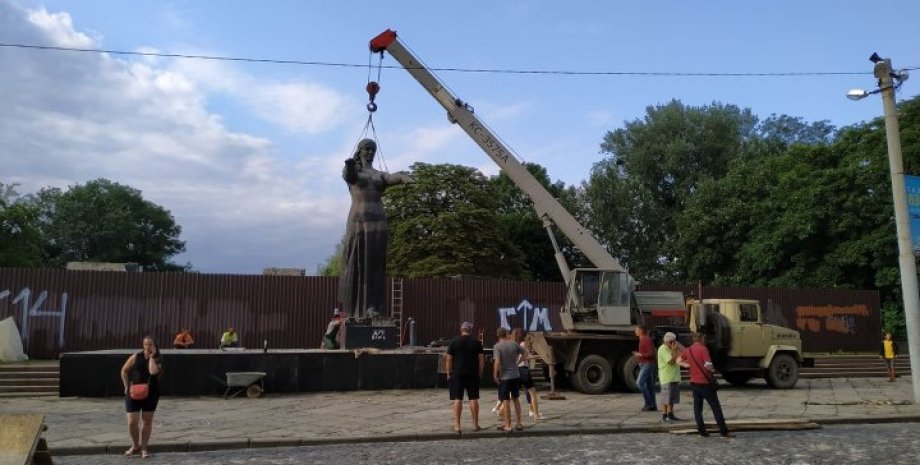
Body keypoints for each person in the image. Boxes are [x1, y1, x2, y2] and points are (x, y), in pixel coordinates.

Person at [338, 138, 413, 320]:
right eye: (367, 149)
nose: (370, 153)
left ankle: (373, 307)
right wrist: (349, 164)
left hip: (379, 223)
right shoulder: (355, 172)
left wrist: (403, 177)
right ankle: (356, 311)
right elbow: (349, 175)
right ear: (360, 151)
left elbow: (392, 177)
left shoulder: (380, 175)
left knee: (376, 267)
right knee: (357, 265)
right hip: (359, 222)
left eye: (373, 150)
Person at [680, 332, 733, 438]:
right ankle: (723, 431)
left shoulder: (688, 350)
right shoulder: (703, 349)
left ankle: (702, 431)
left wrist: (688, 366)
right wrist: (713, 369)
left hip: (694, 382)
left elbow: (678, 360)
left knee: (697, 409)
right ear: (701, 339)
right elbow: (708, 364)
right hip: (705, 382)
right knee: (715, 408)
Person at [120, 336, 163, 459]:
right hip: (133, 392)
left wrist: (151, 357)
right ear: (143, 345)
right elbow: (124, 370)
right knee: (132, 421)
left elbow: (153, 372)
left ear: (155, 346)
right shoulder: (135, 357)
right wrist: (126, 386)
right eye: (146, 344)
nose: (148, 346)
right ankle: (135, 445)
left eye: (151, 344)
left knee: (146, 421)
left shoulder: (158, 359)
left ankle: (144, 448)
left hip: (151, 393)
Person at [445, 321, 485, 433]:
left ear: (461, 329)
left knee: (458, 399)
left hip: (457, 374)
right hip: (472, 374)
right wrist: (480, 373)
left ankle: (457, 426)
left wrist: (448, 374)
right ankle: (475, 425)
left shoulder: (454, 342)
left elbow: (448, 359)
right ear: (470, 330)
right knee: (473, 398)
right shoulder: (476, 342)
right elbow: (481, 360)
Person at [492, 327, 528, 432]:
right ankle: (519, 423)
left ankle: (508, 425)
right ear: (506, 334)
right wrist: (518, 361)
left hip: (505, 377)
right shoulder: (513, 344)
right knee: (516, 399)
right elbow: (525, 353)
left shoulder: (497, 346)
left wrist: (495, 374)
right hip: (515, 375)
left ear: (497, 335)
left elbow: (497, 362)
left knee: (506, 401)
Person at [513, 328, 542, 422]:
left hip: (515, 371)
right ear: (524, 336)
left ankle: (500, 410)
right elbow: (525, 356)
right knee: (532, 392)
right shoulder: (523, 344)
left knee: (511, 394)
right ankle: (536, 414)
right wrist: (535, 356)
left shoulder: (514, 344)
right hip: (523, 370)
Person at [657, 332, 684, 423]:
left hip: (674, 376)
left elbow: (682, 355)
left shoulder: (671, 348)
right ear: (670, 342)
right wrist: (674, 350)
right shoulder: (663, 349)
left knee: (672, 398)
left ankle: (670, 414)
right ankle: (664, 416)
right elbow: (671, 362)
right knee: (666, 398)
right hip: (666, 377)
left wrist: (676, 349)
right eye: (673, 342)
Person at [632, 325, 657, 412]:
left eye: (636, 330)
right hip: (644, 364)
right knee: (649, 386)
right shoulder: (642, 339)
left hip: (647, 364)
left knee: (639, 383)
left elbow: (651, 353)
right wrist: (640, 355)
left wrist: (641, 355)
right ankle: (653, 405)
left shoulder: (646, 339)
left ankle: (648, 403)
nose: (635, 331)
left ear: (641, 331)